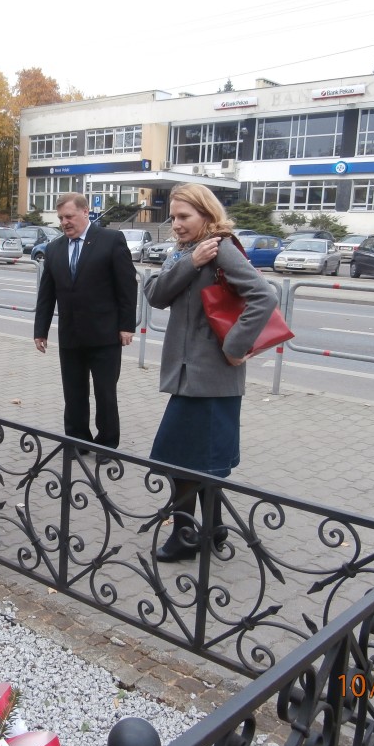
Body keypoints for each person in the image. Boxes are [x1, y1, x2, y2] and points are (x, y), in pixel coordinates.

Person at [145, 183, 277, 563]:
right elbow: (155, 295)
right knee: (195, 462)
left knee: (182, 461)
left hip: (211, 380)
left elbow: (264, 296)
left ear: (206, 214)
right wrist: (190, 263)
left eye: (184, 216)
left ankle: (185, 536)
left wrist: (234, 347)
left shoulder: (223, 248)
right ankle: (212, 530)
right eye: (173, 217)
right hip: (189, 376)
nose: (176, 224)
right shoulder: (186, 251)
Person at [33, 193, 137, 451]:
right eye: (60, 218)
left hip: (105, 335)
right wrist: (40, 330)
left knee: (105, 394)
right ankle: (77, 441)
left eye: (69, 216)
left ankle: (106, 444)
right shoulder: (54, 248)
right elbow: (46, 294)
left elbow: (127, 287)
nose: (64, 222)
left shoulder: (111, 240)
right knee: (73, 393)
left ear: (85, 212)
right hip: (70, 335)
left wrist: (127, 326)